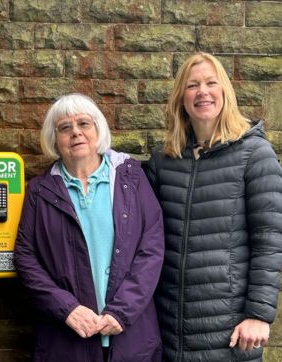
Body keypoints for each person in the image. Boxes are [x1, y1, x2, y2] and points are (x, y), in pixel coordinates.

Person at [146, 52, 282, 361]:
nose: (202, 92)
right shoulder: (163, 160)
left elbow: (270, 239)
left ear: (225, 92)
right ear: (182, 97)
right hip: (170, 328)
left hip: (230, 329)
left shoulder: (255, 154)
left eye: (211, 83)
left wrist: (259, 314)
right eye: (192, 85)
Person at [14, 93, 165, 361]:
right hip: (66, 340)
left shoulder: (131, 178)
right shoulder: (40, 191)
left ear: (98, 130)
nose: (76, 133)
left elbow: (151, 248)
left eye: (84, 123)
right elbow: (26, 258)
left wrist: (122, 310)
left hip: (131, 336)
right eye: (65, 127)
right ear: (55, 139)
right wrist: (67, 308)